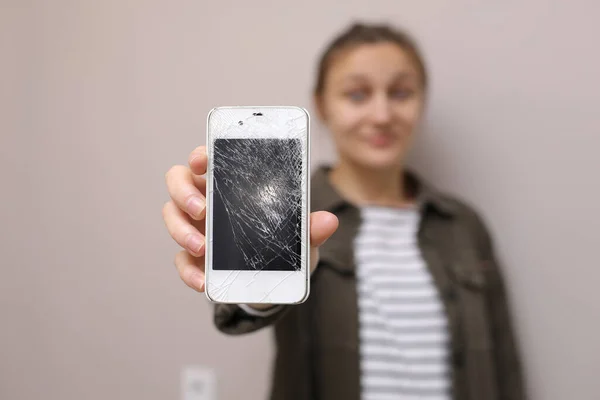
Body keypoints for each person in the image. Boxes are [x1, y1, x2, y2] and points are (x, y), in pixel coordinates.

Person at [163, 23, 525, 400]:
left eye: (401, 93)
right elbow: (242, 314)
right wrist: (240, 251)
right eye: (357, 95)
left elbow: (505, 366)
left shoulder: (464, 225)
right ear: (322, 104)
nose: (382, 114)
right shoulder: (293, 213)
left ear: (422, 101)